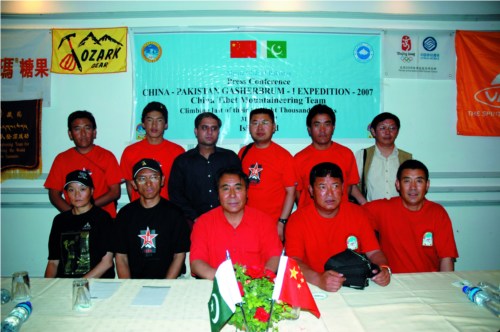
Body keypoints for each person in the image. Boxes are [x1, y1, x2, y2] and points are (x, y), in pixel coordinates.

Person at [285, 162, 390, 292]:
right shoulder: (297, 220)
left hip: (354, 286)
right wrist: (319, 279)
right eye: (322, 187)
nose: (330, 194)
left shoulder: (358, 213)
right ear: (311, 190)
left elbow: (374, 252)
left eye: (335, 186)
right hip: (314, 285)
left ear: (343, 188)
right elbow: (293, 262)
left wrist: (384, 268)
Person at [363, 160, 459, 273]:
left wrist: (445, 286)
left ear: (427, 185)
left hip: (428, 280)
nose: (413, 187)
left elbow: (446, 258)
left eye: (419, 181)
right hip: (392, 281)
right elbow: (348, 213)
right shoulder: (382, 209)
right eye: (407, 181)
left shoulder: (438, 213)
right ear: (398, 184)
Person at [190, 168, 283, 280]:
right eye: (226, 189)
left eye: (238, 188)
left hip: (256, 287)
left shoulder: (264, 221)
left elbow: (274, 257)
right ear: (218, 194)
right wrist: (226, 279)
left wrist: (257, 281)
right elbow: (196, 263)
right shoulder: (203, 223)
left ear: (247, 192)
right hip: (216, 286)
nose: (232, 195)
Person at [114, 158, 191, 279]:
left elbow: (179, 255)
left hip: (169, 281)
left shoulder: (175, 214)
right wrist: (127, 286)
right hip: (135, 282)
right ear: (134, 184)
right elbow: (121, 257)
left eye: (154, 177)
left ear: (162, 181)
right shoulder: (125, 215)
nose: (148, 183)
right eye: (142, 179)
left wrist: (165, 285)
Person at [44, 110, 122, 218]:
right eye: (77, 129)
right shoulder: (61, 159)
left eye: (87, 128)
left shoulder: (107, 156)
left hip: (104, 219)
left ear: (94, 132)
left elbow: (115, 192)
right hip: (74, 219)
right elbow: (54, 195)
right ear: (70, 134)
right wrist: (74, 215)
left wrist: (87, 209)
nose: (83, 134)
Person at [168, 112, 241, 224]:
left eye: (214, 128)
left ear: (218, 132)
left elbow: (240, 190)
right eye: (204, 128)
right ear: (196, 131)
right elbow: (176, 195)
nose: (209, 132)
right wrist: (195, 217)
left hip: (227, 221)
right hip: (192, 223)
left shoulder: (230, 158)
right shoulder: (182, 161)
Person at [238, 108, 297, 241]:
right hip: (246, 223)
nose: (260, 127)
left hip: (273, 225)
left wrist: (281, 223)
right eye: (255, 123)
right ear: (249, 127)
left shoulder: (283, 156)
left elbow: (291, 192)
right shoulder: (243, 152)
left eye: (265, 122)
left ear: (274, 127)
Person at [45, 170, 115, 279]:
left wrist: (79, 285)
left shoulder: (102, 218)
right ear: (67, 193)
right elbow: (53, 262)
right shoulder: (60, 220)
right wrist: (47, 288)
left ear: (91, 191)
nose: (77, 195)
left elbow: (107, 262)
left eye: (82, 189)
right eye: (71, 190)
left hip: (95, 283)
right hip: (64, 284)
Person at [294, 104, 359, 209]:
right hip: (310, 219)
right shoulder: (299, 159)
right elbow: (297, 193)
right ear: (309, 129)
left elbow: (349, 186)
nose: (322, 130)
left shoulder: (346, 154)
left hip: (340, 217)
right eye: (317, 125)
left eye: (327, 124)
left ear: (333, 127)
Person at [120, 101, 185, 202]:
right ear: (143, 124)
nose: (154, 125)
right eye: (150, 120)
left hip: (169, 211)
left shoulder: (177, 151)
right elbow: (130, 185)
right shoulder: (130, 152)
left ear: (166, 124)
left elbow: (181, 187)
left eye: (159, 120)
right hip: (140, 211)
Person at [350, 112, 412, 204]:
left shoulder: (406, 158)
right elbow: (352, 184)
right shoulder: (362, 155)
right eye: (382, 128)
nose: (387, 132)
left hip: (399, 212)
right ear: (373, 131)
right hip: (370, 211)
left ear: (397, 132)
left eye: (392, 128)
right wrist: (365, 204)